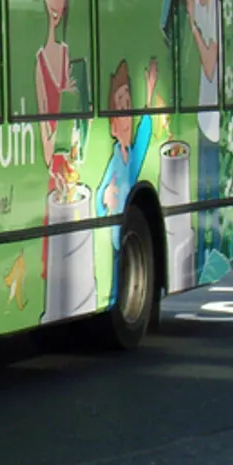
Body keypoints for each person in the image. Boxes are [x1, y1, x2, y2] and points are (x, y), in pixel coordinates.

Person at [96, 57, 158, 296]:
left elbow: (144, 134)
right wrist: (105, 199)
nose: (126, 116)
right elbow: (102, 195)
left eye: (128, 105)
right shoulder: (114, 162)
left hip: (117, 238)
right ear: (112, 126)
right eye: (120, 109)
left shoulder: (131, 154)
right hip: (111, 237)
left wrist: (150, 93)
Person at [36, 0, 77, 279]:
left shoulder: (66, 54)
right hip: (56, 170)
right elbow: (44, 132)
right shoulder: (40, 60)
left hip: (70, 165)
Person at [187, 0, 222, 272]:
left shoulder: (213, 8)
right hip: (198, 115)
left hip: (213, 118)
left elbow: (210, 65)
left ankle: (211, 256)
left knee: (210, 198)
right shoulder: (196, 6)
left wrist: (193, 26)